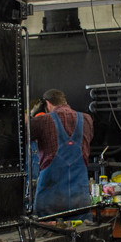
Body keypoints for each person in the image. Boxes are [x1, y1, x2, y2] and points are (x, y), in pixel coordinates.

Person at [28, 88, 94, 217]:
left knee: (48, 233)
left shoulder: (43, 121)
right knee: (82, 233)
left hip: (51, 200)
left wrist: (31, 114)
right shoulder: (87, 119)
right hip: (80, 200)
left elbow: (21, 136)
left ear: (47, 103)